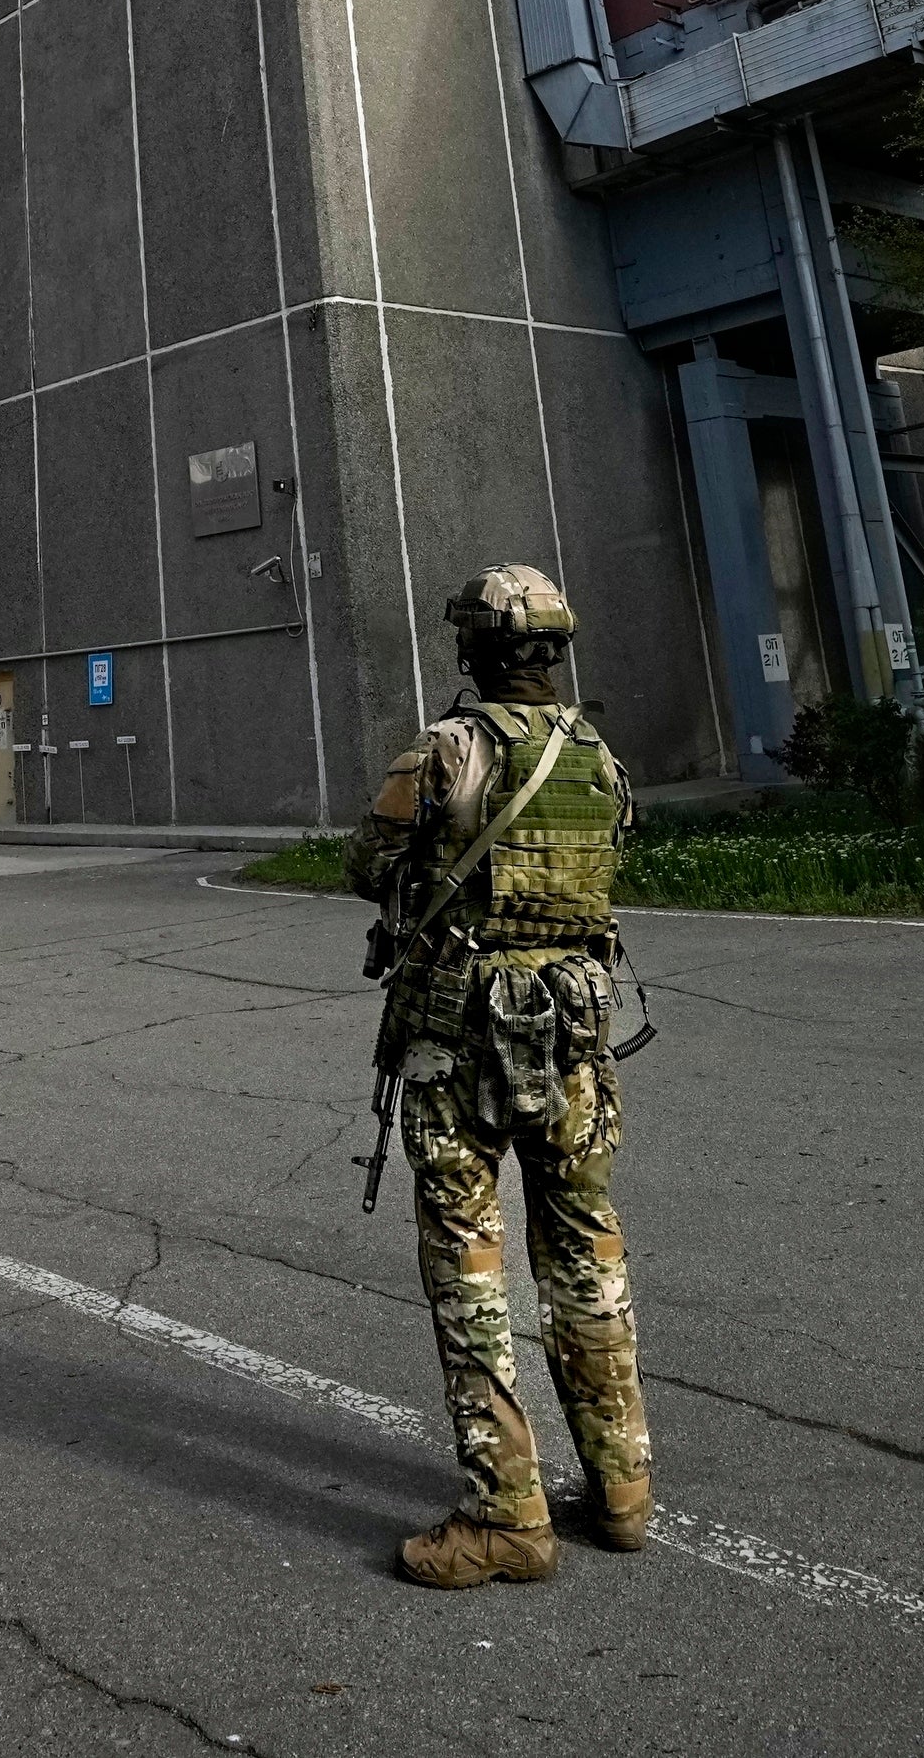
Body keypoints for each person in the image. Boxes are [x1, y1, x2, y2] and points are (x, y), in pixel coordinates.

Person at [344, 564, 653, 1588]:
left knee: (469, 1266)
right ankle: (620, 1489)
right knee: (584, 1252)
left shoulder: (443, 751)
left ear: (470, 650)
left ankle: (505, 1513)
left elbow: (364, 862)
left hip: (461, 1041)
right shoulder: (599, 756)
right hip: (575, 1031)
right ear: (555, 650)